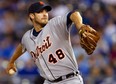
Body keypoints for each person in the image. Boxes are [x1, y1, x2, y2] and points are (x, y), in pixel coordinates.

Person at [6, 1, 86, 84]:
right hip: (49, 82)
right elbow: (22, 46)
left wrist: (80, 25)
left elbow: (74, 14)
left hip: (70, 80)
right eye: (40, 12)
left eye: (46, 11)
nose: (45, 14)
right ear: (32, 16)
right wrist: (12, 61)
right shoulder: (27, 37)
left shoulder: (55, 24)